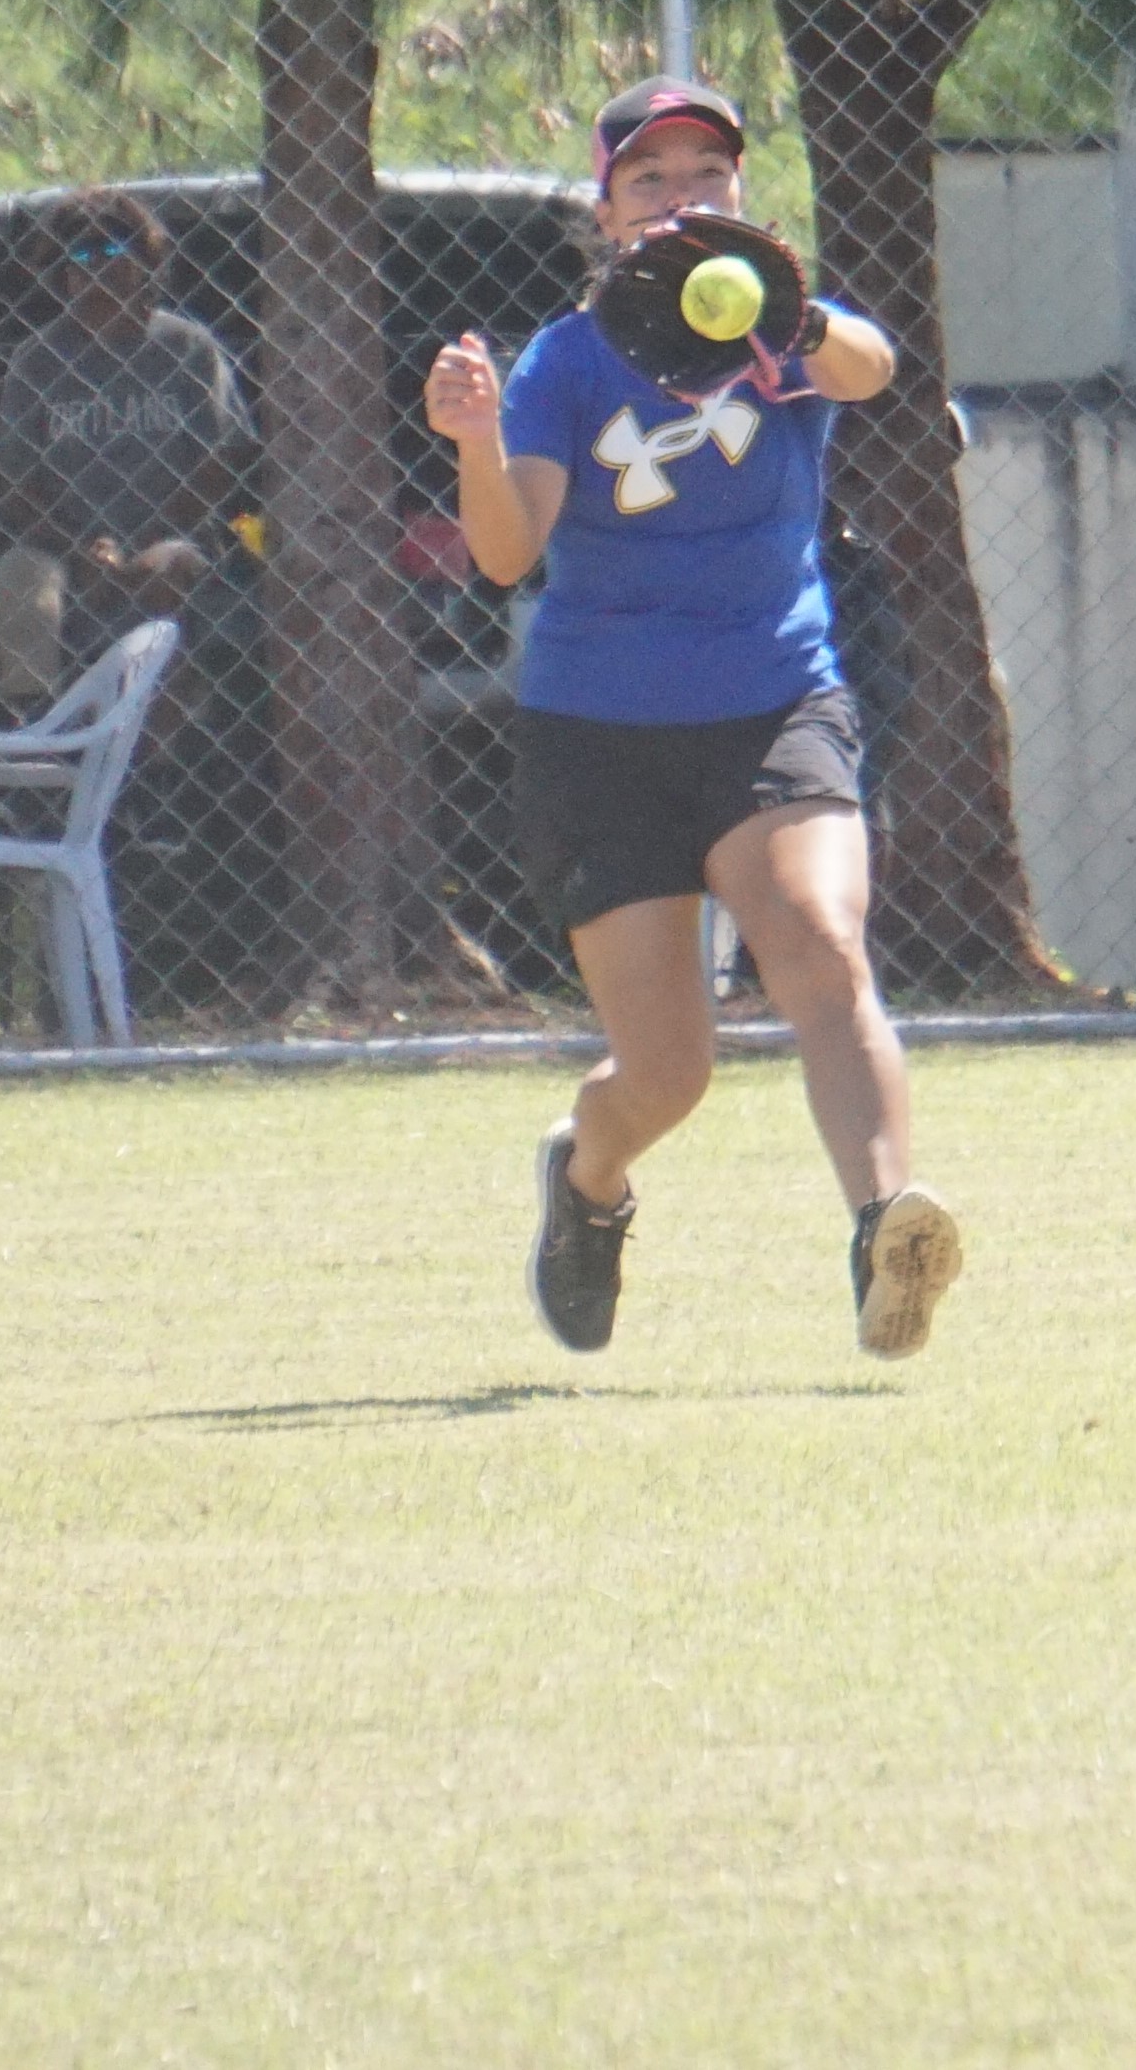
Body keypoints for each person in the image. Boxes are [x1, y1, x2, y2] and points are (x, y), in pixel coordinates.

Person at [424, 75, 964, 1361]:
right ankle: (585, 1179)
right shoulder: (564, 360)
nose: (681, 199)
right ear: (607, 212)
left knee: (820, 945)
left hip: (773, 698)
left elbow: (875, 368)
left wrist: (793, 311)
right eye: (650, 180)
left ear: (738, 194)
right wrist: (475, 435)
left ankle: (884, 1226)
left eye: (705, 176)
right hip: (598, 730)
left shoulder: (781, 337)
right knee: (667, 1072)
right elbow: (506, 555)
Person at [0, 190, 255, 690]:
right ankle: (33, 729)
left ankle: (163, 743)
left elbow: (222, 461)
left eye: (112, 255)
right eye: (79, 260)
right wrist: (82, 550)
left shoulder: (187, 349)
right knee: (22, 576)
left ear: (146, 266)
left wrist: (137, 546)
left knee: (166, 571)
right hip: (67, 545)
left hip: (170, 535)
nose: (96, 274)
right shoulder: (37, 360)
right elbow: (14, 480)